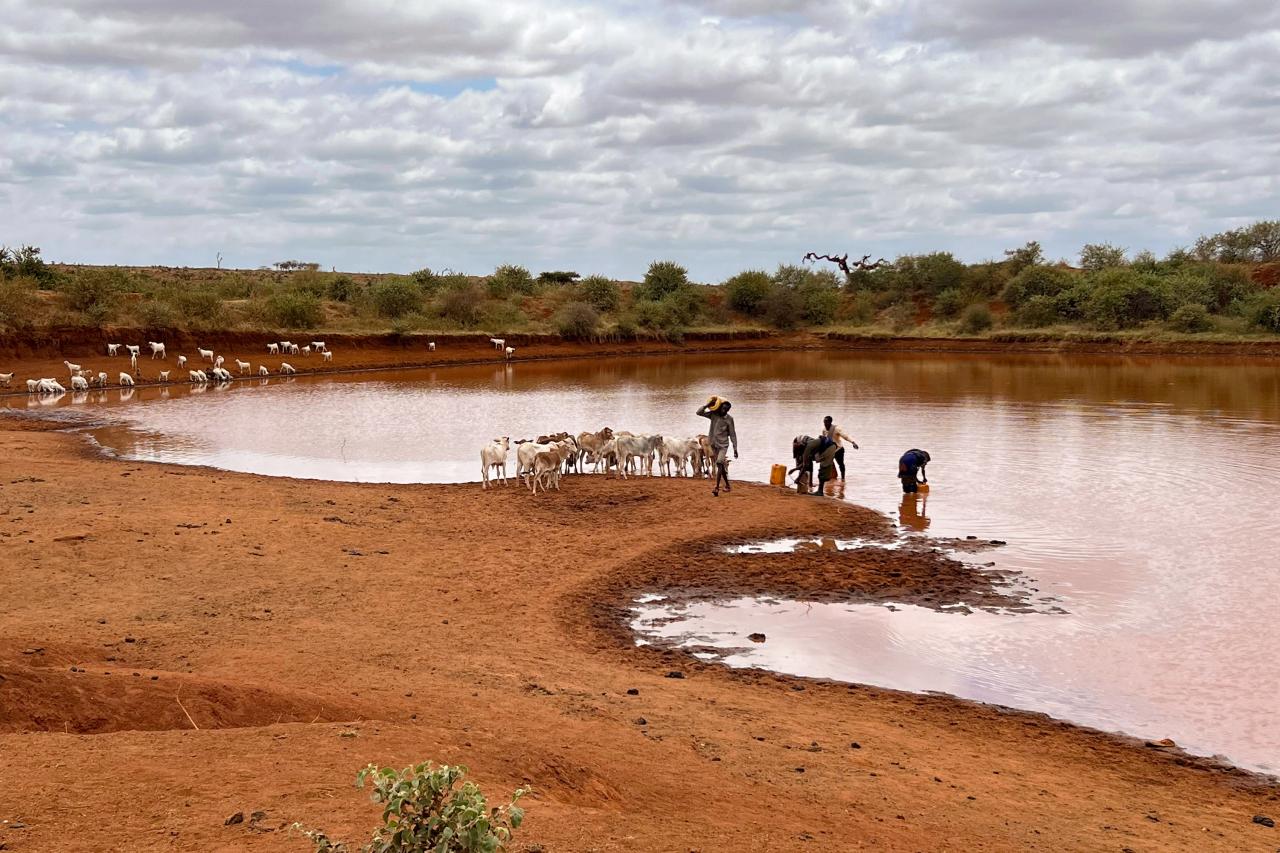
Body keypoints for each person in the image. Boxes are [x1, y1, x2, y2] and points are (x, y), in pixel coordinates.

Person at [697, 396, 739, 497]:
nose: (723, 411)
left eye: (726, 410)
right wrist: (707, 405)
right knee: (720, 465)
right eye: (722, 408)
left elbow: (732, 434)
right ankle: (728, 485)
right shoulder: (713, 414)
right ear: (719, 407)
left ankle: (716, 487)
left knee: (719, 462)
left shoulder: (729, 419)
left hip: (723, 445)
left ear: (728, 410)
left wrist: (735, 448)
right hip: (713, 444)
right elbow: (698, 412)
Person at [822, 416, 859, 480]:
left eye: (826, 422)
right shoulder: (824, 430)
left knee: (841, 464)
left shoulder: (836, 429)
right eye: (824, 422)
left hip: (838, 450)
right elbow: (825, 440)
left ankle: (843, 478)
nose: (825, 423)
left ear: (830, 422)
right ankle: (832, 477)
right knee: (827, 464)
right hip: (830, 450)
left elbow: (845, 436)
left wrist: (853, 442)